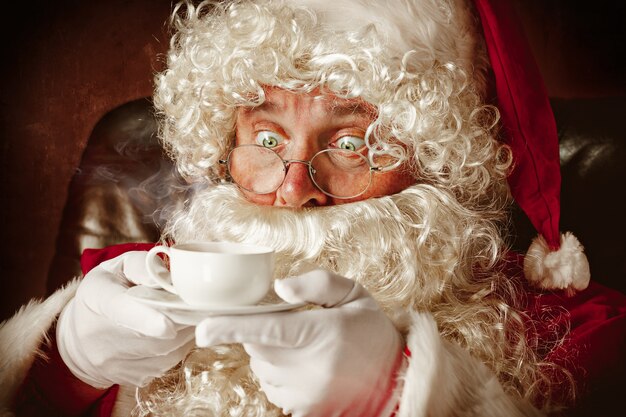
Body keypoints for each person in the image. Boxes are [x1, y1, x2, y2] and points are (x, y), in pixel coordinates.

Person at [1, 0, 625, 416]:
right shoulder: (131, 290)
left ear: (434, 157)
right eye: (266, 140)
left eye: (351, 145)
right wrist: (64, 364)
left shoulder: (580, 335)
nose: (294, 190)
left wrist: (400, 390)